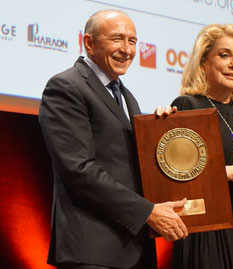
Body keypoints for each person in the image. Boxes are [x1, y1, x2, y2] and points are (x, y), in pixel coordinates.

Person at [38, 10, 188, 269]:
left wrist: (161, 131)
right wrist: (148, 212)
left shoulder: (127, 97)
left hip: (133, 248)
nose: (127, 49)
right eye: (117, 39)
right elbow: (79, 170)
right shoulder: (66, 87)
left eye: (132, 41)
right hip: (92, 252)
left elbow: (131, 163)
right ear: (89, 43)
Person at [170, 24, 233, 269]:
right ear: (203, 62)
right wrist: (230, 172)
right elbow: (176, 176)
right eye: (224, 55)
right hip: (206, 233)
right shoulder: (188, 104)